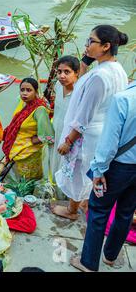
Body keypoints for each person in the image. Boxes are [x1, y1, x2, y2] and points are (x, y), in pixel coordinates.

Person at [53, 25, 129, 220]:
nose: (86, 45)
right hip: (103, 130)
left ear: (105, 46)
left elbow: (84, 114)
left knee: (77, 172)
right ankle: (85, 205)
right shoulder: (117, 69)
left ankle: (72, 210)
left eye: (91, 41)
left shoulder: (99, 77)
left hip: (87, 134)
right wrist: (86, 61)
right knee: (89, 172)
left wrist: (68, 141)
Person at [70, 80, 135, 272]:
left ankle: (88, 262)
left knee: (98, 211)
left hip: (119, 167)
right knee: (126, 212)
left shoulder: (124, 98)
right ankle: (110, 256)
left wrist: (99, 170)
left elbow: (110, 140)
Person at [1, 78, 54, 181]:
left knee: (25, 187)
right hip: (17, 153)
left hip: (29, 156)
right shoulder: (26, 106)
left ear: (36, 92)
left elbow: (49, 136)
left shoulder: (40, 110)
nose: (24, 93)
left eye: (29, 90)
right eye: (22, 90)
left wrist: (34, 140)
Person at [49, 56, 80, 181]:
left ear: (77, 73)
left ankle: (66, 199)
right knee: (54, 165)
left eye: (67, 72)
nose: (62, 76)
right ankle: (54, 195)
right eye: (59, 72)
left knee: (67, 172)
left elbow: (82, 122)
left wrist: (69, 142)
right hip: (56, 133)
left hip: (70, 138)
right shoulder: (57, 85)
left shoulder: (80, 93)